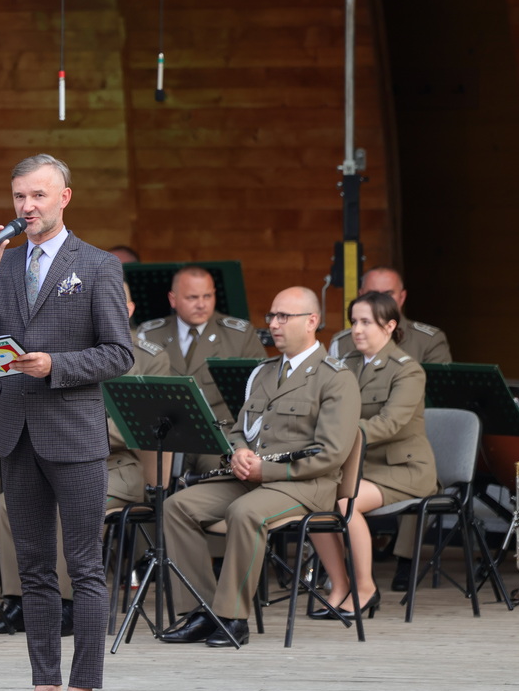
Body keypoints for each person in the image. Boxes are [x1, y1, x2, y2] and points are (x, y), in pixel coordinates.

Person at [0, 153, 133, 691]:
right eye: (18, 198)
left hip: (73, 429)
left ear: (64, 198)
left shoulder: (98, 266)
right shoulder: (2, 264)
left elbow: (119, 353)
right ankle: (45, 685)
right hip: (16, 428)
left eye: (37, 196)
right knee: (31, 567)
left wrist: (55, 363)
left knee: (82, 564)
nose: (26, 208)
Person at [159, 286, 360, 649]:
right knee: (178, 506)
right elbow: (240, 431)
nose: (274, 324)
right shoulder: (263, 373)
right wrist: (237, 453)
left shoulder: (335, 378)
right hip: (253, 479)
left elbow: (331, 454)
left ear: (312, 321)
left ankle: (233, 617)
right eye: (272, 316)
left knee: (244, 512)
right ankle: (203, 610)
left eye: (284, 316)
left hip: (306, 485)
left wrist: (263, 472)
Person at [0, 280, 170, 634]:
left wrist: (78, 427)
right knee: (4, 505)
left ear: (127, 310)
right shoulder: (66, 345)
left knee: (64, 508)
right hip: (52, 450)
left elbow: (145, 422)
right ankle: (20, 599)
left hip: (119, 462)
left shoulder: (150, 356)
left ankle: (67, 606)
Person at [307, 291, 437, 620]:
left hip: (404, 468)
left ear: (390, 325)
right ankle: (340, 586)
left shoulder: (408, 371)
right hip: (356, 467)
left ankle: (365, 588)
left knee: (342, 502)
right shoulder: (343, 365)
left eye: (367, 322)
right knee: (312, 497)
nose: (357, 329)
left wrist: (335, 434)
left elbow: (388, 423)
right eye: (354, 322)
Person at [137, 265, 266, 472]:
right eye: (192, 297)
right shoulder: (150, 334)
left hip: (219, 436)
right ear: (173, 299)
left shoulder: (239, 334)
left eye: (207, 296)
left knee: (217, 481)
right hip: (166, 437)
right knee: (154, 485)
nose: (201, 304)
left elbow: (262, 393)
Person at [328, 267, 452, 364]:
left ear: (402, 297)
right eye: (373, 295)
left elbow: (438, 394)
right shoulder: (341, 343)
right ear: (361, 296)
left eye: (388, 294)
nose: (380, 301)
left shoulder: (428, 340)